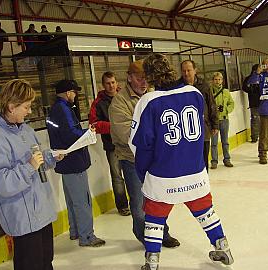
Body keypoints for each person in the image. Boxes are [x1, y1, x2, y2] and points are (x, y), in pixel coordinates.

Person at [129, 53, 234, 270]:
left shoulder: (147, 101)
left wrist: (144, 174)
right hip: (195, 171)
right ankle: (223, 247)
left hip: (163, 175)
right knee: (206, 213)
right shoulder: (194, 93)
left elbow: (140, 145)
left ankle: (152, 262)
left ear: (148, 76)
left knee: (155, 219)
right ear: (171, 69)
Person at [0, 79, 64, 270]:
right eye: (26, 107)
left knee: (46, 262)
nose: (30, 111)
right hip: (23, 219)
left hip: (41, 213)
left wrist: (51, 157)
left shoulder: (26, 130)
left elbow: (37, 160)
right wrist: (29, 167)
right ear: (11, 107)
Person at [109, 60, 179, 248]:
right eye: (139, 78)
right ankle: (144, 235)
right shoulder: (119, 102)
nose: (144, 82)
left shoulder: (153, 95)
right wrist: (153, 138)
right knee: (140, 205)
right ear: (129, 78)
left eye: (146, 79)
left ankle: (162, 233)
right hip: (132, 161)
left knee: (159, 200)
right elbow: (126, 134)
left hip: (155, 161)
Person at [46, 79, 106, 247]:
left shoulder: (55, 109)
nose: (75, 95)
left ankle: (75, 231)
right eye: (74, 92)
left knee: (72, 200)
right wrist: (88, 131)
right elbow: (71, 135)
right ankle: (87, 236)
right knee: (82, 200)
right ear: (68, 93)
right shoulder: (63, 109)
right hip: (73, 161)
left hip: (65, 163)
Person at [89, 71, 130, 216]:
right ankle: (123, 206)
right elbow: (93, 124)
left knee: (133, 174)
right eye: (108, 83)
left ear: (116, 82)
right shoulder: (98, 103)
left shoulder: (124, 96)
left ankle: (138, 202)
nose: (111, 85)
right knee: (117, 176)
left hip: (128, 144)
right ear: (103, 85)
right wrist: (114, 126)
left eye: (113, 82)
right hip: (112, 146)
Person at [180, 60, 218, 171]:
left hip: (203, 129)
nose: (186, 73)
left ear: (195, 70)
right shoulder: (178, 86)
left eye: (189, 70)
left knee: (203, 160)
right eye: (183, 71)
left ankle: (204, 183)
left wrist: (215, 124)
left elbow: (211, 104)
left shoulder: (204, 85)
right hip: (185, 132)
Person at [210, 72, 234, 169]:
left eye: (219, 79)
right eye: (216, 79)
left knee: (225, 141)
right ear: (213, 80)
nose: (217, 81)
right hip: (214, 121)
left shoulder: (226, 92)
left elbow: (231, 103)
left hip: (224, 120)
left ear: (222, 80)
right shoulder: (210, 91)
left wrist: (225, 110)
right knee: (214, 142)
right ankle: (214, 161)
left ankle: (227, 159)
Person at [243, 64, 262, 143]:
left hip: (262, 102)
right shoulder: (249, 78)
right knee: (255, 119)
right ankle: (254, 136)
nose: (261, 69)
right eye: (260, 68)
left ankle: (264, 135)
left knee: (263, 119)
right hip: (254, 102)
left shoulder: (262, 77)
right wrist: (251, 90)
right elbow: (244, 88)